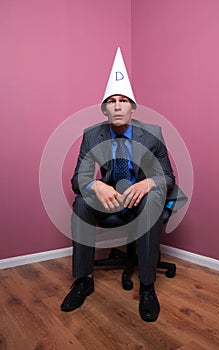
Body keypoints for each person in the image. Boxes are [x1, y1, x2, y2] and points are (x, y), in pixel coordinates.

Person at [61, 48, 175, 322]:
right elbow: (78, 179)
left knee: (152, 198)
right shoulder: (92, 135)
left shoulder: (153, 134)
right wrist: (93, 186)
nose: (118, 106)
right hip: (109, 202)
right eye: (112, 101)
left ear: (133, 107)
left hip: (142, 205)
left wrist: (149, 182)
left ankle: (147, 287)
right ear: (105, 109)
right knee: (80, 201)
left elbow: (169, 179)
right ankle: (82, 280)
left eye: (124, 100)